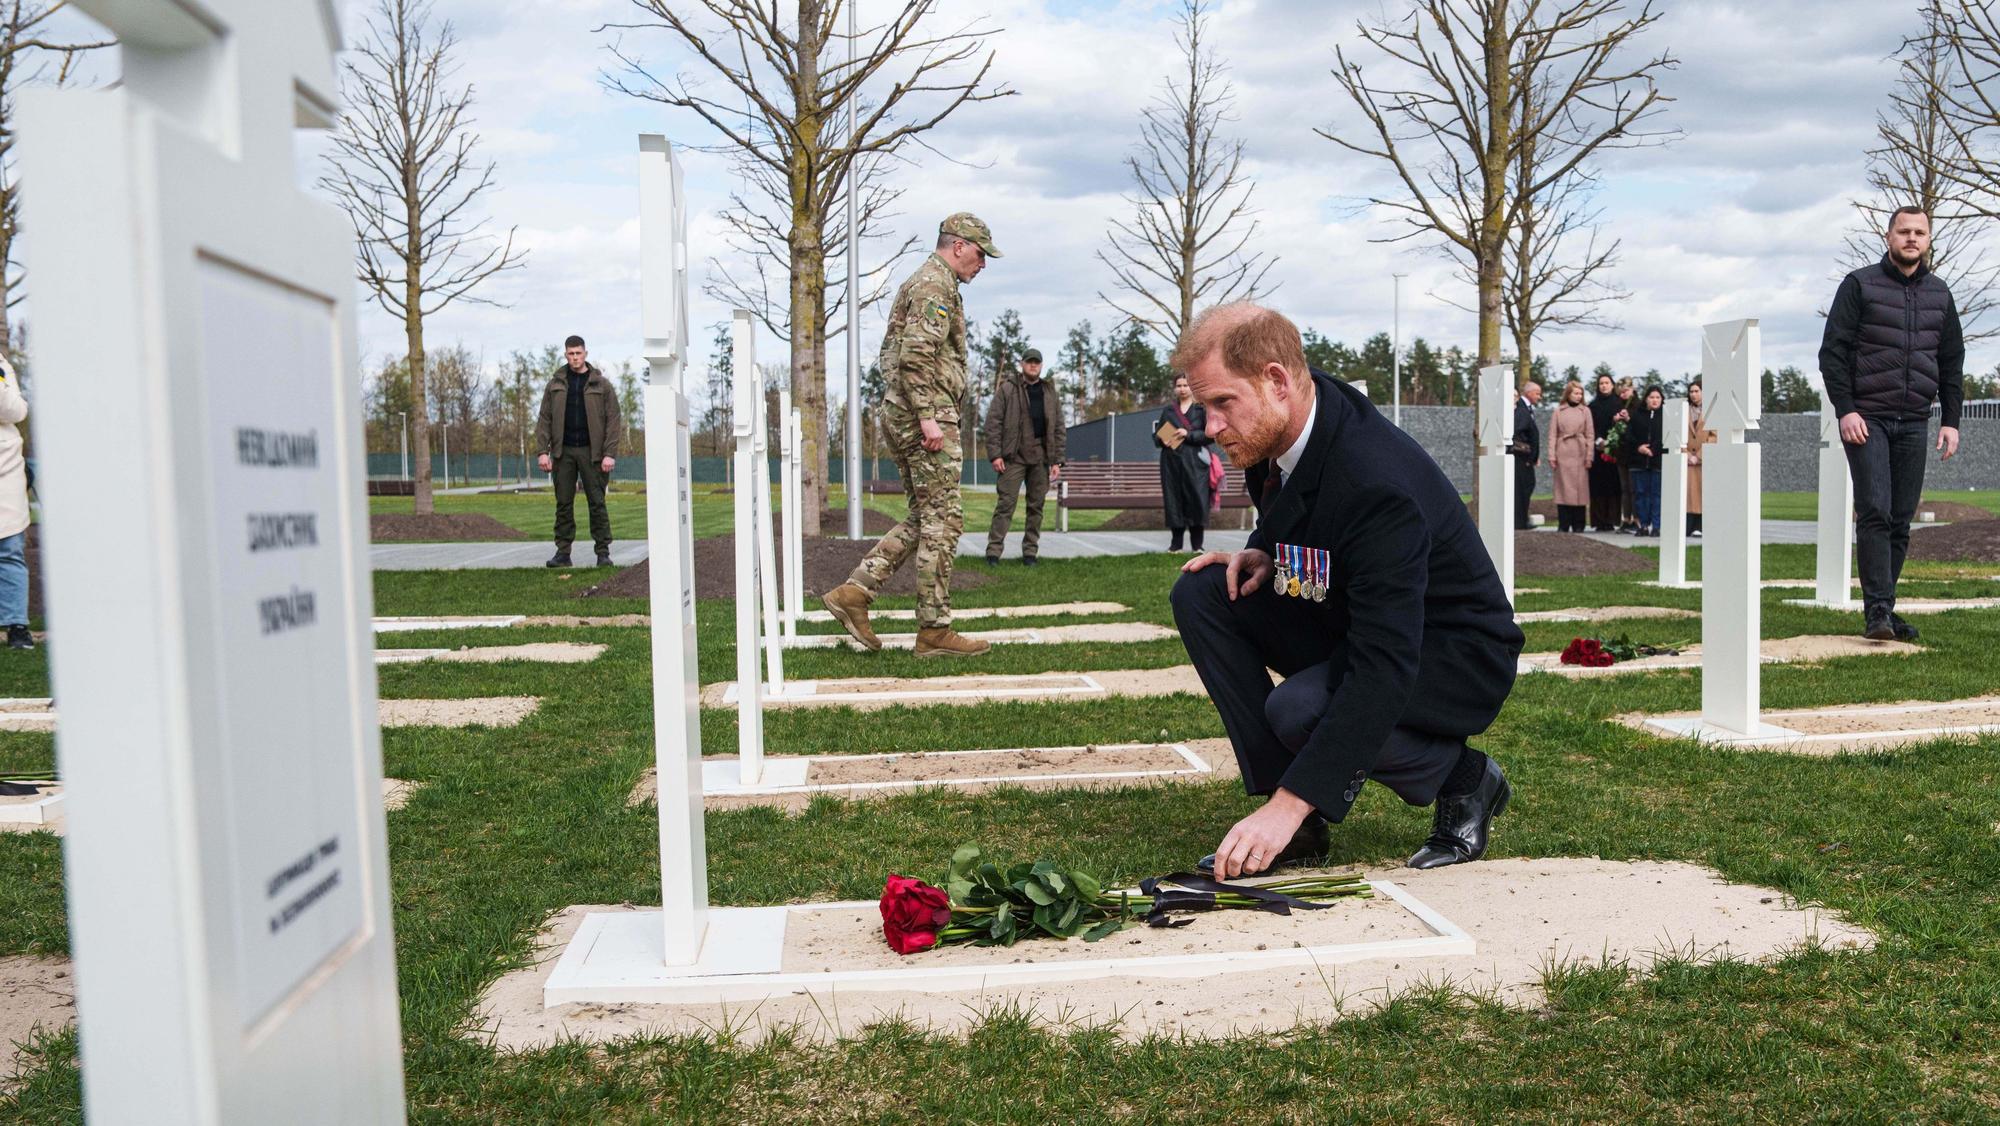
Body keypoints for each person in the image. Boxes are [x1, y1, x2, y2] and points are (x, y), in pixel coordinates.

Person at [1168, 303, 1522, 878]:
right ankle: (1302, 827)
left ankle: (1466, 779)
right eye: (1204, 407)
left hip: (1452, 652)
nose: (1209, 428)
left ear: (1276, 380)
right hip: (1353, 613)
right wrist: (1267, 546)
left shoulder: (1374, 482)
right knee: (1206, 592)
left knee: (1298, 709)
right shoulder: (1282, 425)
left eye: (1222, 404)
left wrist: (1292, 799)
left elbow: (1382, 663)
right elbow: (1303, 508)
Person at [822, 213, 1000, 658]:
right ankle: (934, 630)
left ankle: (856, 592)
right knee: (945, 520)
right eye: (980, 255)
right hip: (925, 416)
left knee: (927, 516)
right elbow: (914, 356)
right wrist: (927, 418)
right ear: (957, 246)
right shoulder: (934, 286)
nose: (983, 264)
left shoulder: (933, 284)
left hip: (913, 412)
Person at [1819, 205, 1964, 642]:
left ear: (1928, 239)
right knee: (1875, 511)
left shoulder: (1940, 293)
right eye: (1905, 231)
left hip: (1915, 420)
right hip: (1869, 419)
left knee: (1901, 519)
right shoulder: (1859, 285)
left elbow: (1951, 360)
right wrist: (1846, 409)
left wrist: (1951, 420)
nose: (1912, 238)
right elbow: (1833, 353)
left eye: (1920, 232)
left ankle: (1886, 607)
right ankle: (1877, 611)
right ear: (1888, 236)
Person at [534, 335, 622, 568]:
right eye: (571, 354)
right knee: (563, 503)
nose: (575, 358)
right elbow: (544, 418)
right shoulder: (555, 384)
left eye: (578, 353)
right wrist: (543, 451)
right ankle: (563, 553)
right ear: (566, 355)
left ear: (585, 354)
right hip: (563, 453)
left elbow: (614, 420)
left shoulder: (601, 384)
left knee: (597, 502)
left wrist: (609, 453)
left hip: (592, 453)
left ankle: (603, 553)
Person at [983, 347, 1065, 566]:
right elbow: (993, 423)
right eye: (1029, 362)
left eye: (1036, 362)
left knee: (1036, 506)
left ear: (1041, 365)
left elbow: (1058, 427)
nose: (1033, 365)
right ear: (1022, 364)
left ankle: (1030, 553)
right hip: (1013, 457)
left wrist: (1056, 460)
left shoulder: (1049, 392)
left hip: (1040, 457)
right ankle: (993, 552)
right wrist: (995, 455)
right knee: (1005, 505)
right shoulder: (1008, 389)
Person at [1154, 372, 1217, 552]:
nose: (1182, 389)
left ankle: (1198, 545)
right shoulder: (1168, 411)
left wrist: (1187, 434)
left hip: (1195, 463)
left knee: (1197, 499)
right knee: (1174, 499)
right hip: (1171, 462)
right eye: (1179, 385)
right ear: (1174, 388)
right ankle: (1176, 544)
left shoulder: (1201, 409)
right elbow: (1157, 434)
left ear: (1192, 387)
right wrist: (1162, 440)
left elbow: (1210, 434)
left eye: (1185, 385)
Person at [0, 354, 29, 651]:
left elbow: (15, 410)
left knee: (9, 551)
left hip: (5, 469)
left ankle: (17, 625)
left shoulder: (1, 365)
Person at [1547, 380, 1595, 533]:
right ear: (1568, 393)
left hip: (1580, 452)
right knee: (1563, 489)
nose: (1579, 396)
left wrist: (1589, 456)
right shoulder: (1558, 411)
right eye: (1576, 393)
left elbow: (1590, 434)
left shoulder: (1585, 411)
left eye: (1581, 393)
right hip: (1563, 452)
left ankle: (1579, 524)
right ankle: (1563, 523)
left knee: (1580, 490)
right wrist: (1552, 455)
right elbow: (1552, 435)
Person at [1623, 385, 1666, 536]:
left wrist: (1653, 450)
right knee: (1641, 494)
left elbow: (1665, 438)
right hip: (1638, 462)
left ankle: (1657, 526)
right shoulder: (1637, 416)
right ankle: (1643, 525)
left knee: (1656, 494)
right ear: (1646, 399)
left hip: (1657, 462)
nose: (1654, 400)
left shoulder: (1666, 416)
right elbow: (1629, 436)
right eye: (1651, 397)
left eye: (1658, 397)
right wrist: (1639, 447)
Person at [1587, 373, 1625, 531]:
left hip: (1614, 451)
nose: (1603, 386)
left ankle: (1611, 519)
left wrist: (1611, 441)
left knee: (1613, 485)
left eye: (1607, 383)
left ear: (1612, 385)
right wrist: (1598, 441)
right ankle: (1599, 520)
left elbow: (1623, 426)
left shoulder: (1619, 403)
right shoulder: (1592, 405)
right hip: (1597, 450)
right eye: (1601, 383)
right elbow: (1589, 427)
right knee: (1597, 486)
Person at [1511, 380, 1542, 529]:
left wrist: (1535, 456)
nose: (1539, 397)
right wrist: (1530, 454)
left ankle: (1521, 520)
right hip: (1521, 458)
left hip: (1526, 458)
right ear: (1528, 393)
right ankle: (1519, 522)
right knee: (1521, 489)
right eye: (1537, 393)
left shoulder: (1525, 409)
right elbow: (1520, 432)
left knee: (1526, 487)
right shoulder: (1522, 410)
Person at [1614, 377, 1640, 533]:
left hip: (1634, 452)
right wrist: (1615, 420)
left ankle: (1637, 519)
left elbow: (1641, 426)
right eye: (1621, 392)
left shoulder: (1638, 405)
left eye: (1626, 391)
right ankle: (1626, 518)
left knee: (1634, 488)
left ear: (1632, 390)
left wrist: (1629, 419)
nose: (1623, 394)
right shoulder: (1618, 405)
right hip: (1622, 452)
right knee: (1624, 488)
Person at [1685, 379, 1705, 538]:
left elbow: (1714, 436)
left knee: (1702, 494)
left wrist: (1699, 455)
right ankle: (1689, 525)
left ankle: (1701, 525)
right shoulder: (1685, 411)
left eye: (1697, 391)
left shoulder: (1711, 411)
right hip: (1687, 460)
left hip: (1704, 461)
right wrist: (1686, 454)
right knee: (1689, 495)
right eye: (1691, 391)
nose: (1694, 394)